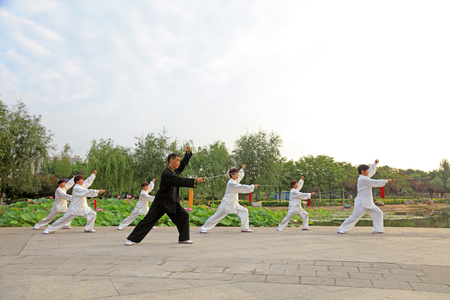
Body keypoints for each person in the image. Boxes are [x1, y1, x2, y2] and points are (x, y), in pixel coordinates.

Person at [125, 147, 205, 246]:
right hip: (161, 202)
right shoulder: (167, 173)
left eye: (179, 161)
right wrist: (195, 181)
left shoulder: (175, 171)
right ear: (171, 160)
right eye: (177, 161)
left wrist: (188, 153)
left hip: (172, 201)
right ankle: (131, 238)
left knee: (184, 215)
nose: (179, 163)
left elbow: (184, 163)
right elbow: (180, 181)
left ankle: (183, 238)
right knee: (148, 220)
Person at [337, 159, 393, 234]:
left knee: (378, 213)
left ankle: (378, 229)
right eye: (367, 170)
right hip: (362, 203)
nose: (368, 172)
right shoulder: (362, 179)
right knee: (355, 217)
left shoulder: (365, 177)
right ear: (362, 171)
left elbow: (371, 171)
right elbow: (374, 182)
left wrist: (374, 164)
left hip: (368, 202)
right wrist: (386, 181)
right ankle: (342, 229)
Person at [200, 165, 258, 234]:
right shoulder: (231, 183)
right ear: (232, 175)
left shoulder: (235, 180)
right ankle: (203, 228)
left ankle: (245, 228)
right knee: (216, 216)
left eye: (237, 174)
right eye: (236, 174)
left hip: (234, 204)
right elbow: (241, 187)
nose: (237, 175)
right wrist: (252, 187)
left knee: (244, 211)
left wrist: (242, 169)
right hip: (226, 204)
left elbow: (240, 176)